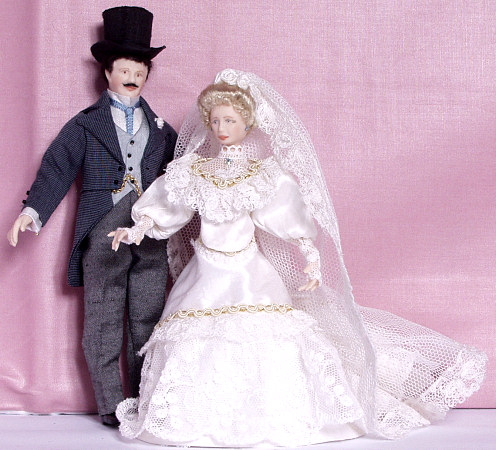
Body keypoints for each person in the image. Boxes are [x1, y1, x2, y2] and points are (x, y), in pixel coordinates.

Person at [110, 69, 486, 446]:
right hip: (205, 272)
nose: (222, 128)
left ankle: (271, 412)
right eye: (216, 120)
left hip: (248, 272)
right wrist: (137, 227)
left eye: (231, 120)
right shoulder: (192, 172)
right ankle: (197, 416)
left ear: (247, 124)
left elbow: (285, 217)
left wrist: (310, 255)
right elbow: (170, 206)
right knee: (194, 338)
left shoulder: (261, 175)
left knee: (268, 337)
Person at [6, 7, 177, 427]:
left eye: (139, 70)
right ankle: (110, 405)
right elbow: (56, 168)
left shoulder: (162, 129)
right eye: (124, 70)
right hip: (103, 228)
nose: (132, 77)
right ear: (107, 72)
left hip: (149, 232)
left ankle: (143, 399)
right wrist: (33, 211)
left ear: (147, 74)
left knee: (148, 317)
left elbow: (181, 177)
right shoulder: (85, 125)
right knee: (102, 319)